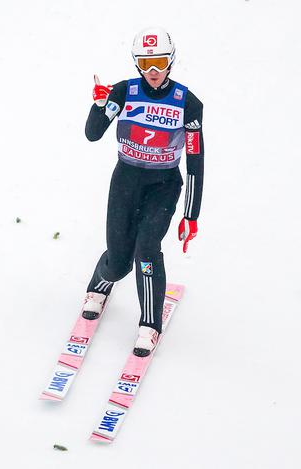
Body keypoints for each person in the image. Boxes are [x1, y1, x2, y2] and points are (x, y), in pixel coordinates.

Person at [80, 27, 204, 357]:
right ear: (137, 64)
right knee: (119, 261)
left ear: (171, 62)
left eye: (160, 62)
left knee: (147, 247)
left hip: (163, 186)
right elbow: (93, 134)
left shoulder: (187, 103)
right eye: (146, 63)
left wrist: (191, 214)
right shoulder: (123, 92)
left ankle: (149, 325)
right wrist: (99, 105)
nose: (153, 71)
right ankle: (100, 285)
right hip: (126, 180)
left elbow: (195, 160)